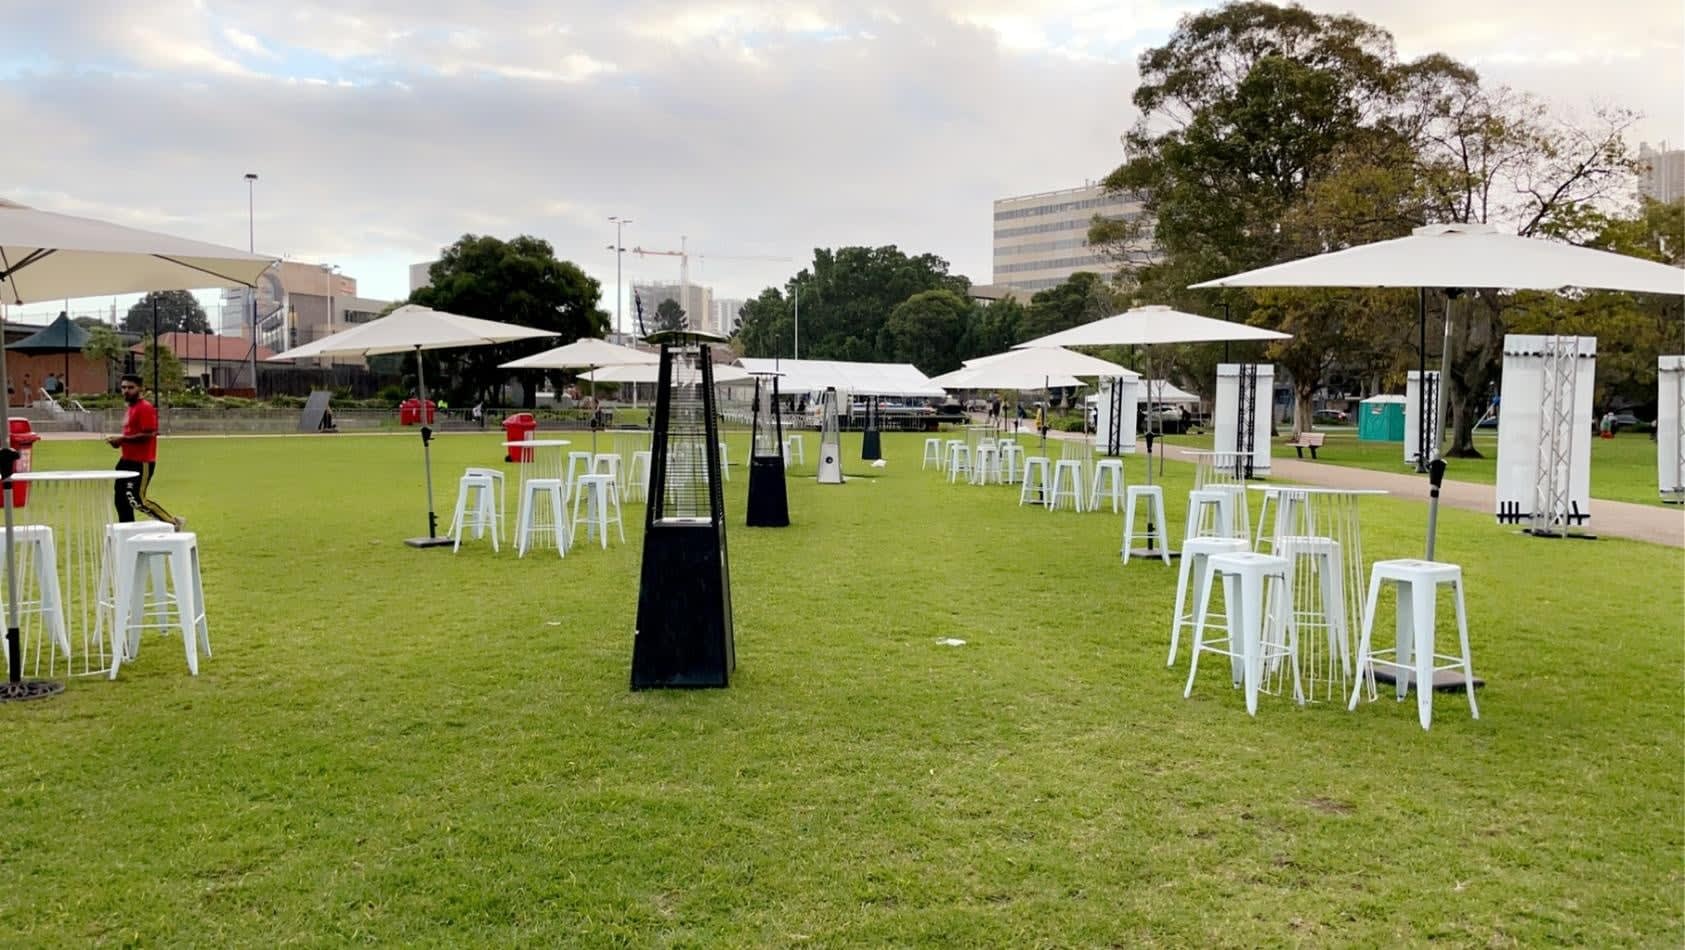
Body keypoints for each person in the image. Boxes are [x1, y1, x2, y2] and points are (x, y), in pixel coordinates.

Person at [108, 374, 183, 527]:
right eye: (123, 387)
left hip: (142, 462)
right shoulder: (131, 408)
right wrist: (119, 443)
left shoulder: (145, 408)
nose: (126, 391)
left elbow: (149, 434)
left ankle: (173, 522)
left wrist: (122, 439)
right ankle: (126, 531)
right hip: (125, 460)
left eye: (130, 387)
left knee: (137, 499)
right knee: (121, 500)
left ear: (140, 389)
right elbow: (131, 434)